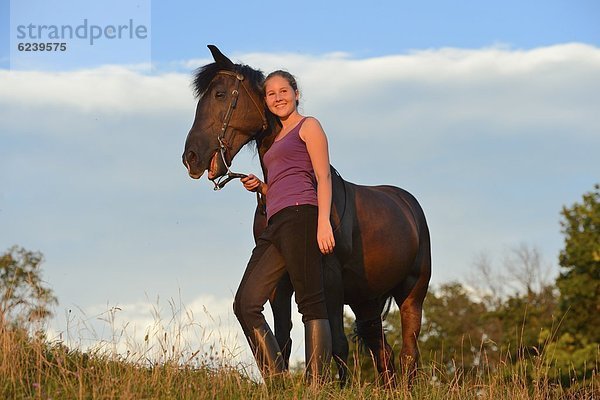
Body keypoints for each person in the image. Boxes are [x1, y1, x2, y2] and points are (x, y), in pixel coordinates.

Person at [233, 70, 334, 383]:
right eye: (271, 93)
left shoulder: (309, 126)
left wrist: (323, 223)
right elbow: (283, 182)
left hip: (304, 216)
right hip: (275, 221)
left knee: (311, 304)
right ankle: (278, 382)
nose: (278, 97)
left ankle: (317, 387)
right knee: (245, 303)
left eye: (283, 91)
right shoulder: (274, 139)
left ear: (296, 93)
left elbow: (323, 177)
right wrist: (262, 188)